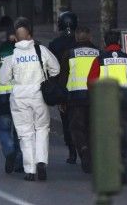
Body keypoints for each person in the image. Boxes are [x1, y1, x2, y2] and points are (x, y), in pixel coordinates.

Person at [0, 17, 60, 181]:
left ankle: (30, 170)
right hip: (38, 95)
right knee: (42, 129)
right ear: (30, 36)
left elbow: (3, 79)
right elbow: (56, 68)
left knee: (25, 133)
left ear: (16, 39)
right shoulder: (41, 50)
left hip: (19, 98)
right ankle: (41, 161)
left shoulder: (12, 56)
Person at [87, 30, 127, 158]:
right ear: (119, 42)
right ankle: (125, 158)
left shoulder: (99, 59)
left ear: (105, 42)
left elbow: (91, 82)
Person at [59, 26, 99, 173]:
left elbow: (64, 78)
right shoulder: (99, 52)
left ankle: (83, 149)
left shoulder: (69, 53)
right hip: (95, 96)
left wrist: (62, 99)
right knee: (93, 127)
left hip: (75, 96)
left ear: (76, 37)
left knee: (77, 128)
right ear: (90, 37)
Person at [49, 11, 78, 164]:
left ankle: (72, 151)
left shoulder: (55, 44)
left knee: (66, 121)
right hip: (82, 88)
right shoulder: (79, 42)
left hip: (63, 87)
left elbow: (51, 69)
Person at [0, 37, 24, 174]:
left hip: (2, 97)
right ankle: (19, 162)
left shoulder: (0, 58)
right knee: (20, 133)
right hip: (19, 98)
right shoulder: (23, 59)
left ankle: (9, 151)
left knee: (4, 131)